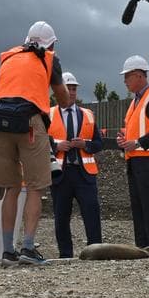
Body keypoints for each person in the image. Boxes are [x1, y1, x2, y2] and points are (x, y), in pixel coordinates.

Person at [0, 21, 71, 266]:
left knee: (11, 188)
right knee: (36, 186)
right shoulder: (49, 58)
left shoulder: (9, 56)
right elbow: (64, 99)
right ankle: (27, 247)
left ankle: (7, 251)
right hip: (29, 122)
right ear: (50, 44)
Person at [45, 71, 102, 258]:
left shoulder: (88, 115)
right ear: (58, 91)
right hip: (60, 174)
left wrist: (85, 144)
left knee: (91, 213)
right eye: (67, 88)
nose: (71, 92)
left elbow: (99, 143)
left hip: (84, 174)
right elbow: (39, 142)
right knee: (61, 217)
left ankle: (96, 251)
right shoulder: (48, 114)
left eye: (73, 89)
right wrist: (56, 146)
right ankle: (66, 255)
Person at [119, 55, 149, 248]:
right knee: (138, 205)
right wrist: (124, 141)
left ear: (139, 76)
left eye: (127, 77)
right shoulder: (135, 101)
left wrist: (138, 143)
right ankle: (142, 246)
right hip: (135, 160)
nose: (125, 81)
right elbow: (137, 128)